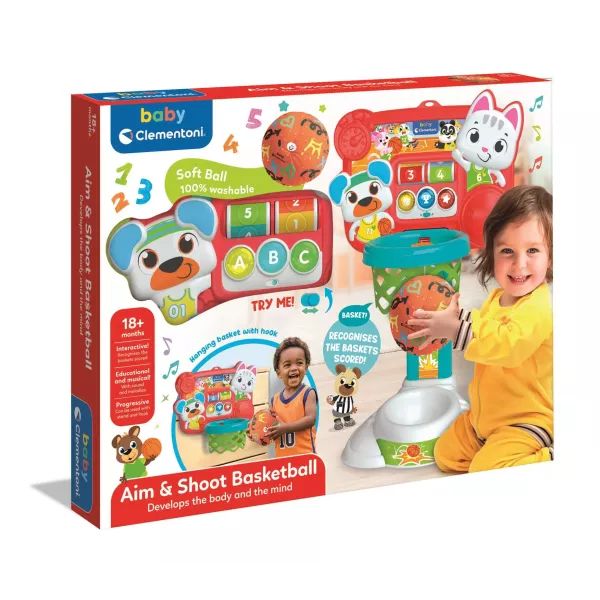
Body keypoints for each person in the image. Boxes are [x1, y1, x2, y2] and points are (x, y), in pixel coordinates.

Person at [407, 185, 553, 472]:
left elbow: (507, 344)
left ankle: (548, 457)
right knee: (445, 455)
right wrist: (452, 319)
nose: (519, 264)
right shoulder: (497, 299)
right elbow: (484, 326)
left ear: (550, 257)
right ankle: (492, 447)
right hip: (485, 419)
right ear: (491, 253)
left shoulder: (538, 307)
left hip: (526, 421)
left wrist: (455, 329)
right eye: (507, 251)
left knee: (483, 469)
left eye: (533, 251)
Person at [267, 337, 318, 456]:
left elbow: (310, 419)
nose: (294, 368)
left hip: (305, 457)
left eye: (299, 363)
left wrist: (285, 428)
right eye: (287, 365)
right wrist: (255, 429)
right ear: (279, 373)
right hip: (283, 460)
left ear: (306, 368)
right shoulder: (275, 400)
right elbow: (270, 424)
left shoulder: (308, 393)